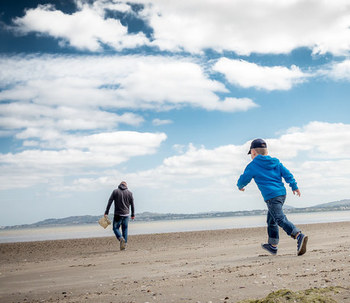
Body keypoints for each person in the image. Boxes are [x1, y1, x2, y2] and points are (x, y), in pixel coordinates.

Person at [237, 138, 308, 256]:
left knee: (279, 219)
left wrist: (240, 186)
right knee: (271, 220)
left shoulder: (253, 165)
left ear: (253, 152)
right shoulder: (276, 162)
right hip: (281, 194)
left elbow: (244, 178)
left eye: (251, 154)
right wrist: (294, 186)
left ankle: (298, 235)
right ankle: (273, 246)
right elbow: (287, 174)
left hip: (271, 197)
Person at [105, 181, 135, 250]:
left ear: (119, 185)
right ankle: (124, 245)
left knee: (115, 228)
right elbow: (132, 204)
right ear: (126, 186)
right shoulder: (129, 193)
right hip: (126, 214)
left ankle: (120, 238)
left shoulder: (115, 191)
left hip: (118, 214)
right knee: (125, 229)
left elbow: (110, 201)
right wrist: (133, 214)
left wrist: (106, 212)